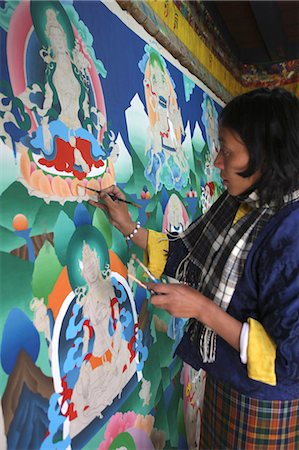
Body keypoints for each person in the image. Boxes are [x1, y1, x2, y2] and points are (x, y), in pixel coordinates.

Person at [89, 87, 299, 449]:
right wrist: (128, 226)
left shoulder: (290, 232)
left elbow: (290, 358)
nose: (217, 162)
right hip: (224, 377)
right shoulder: (239, 201)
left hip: (266, 402)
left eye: (228, 152)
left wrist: (201, 308)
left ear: (266, 158)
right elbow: (188, 252)